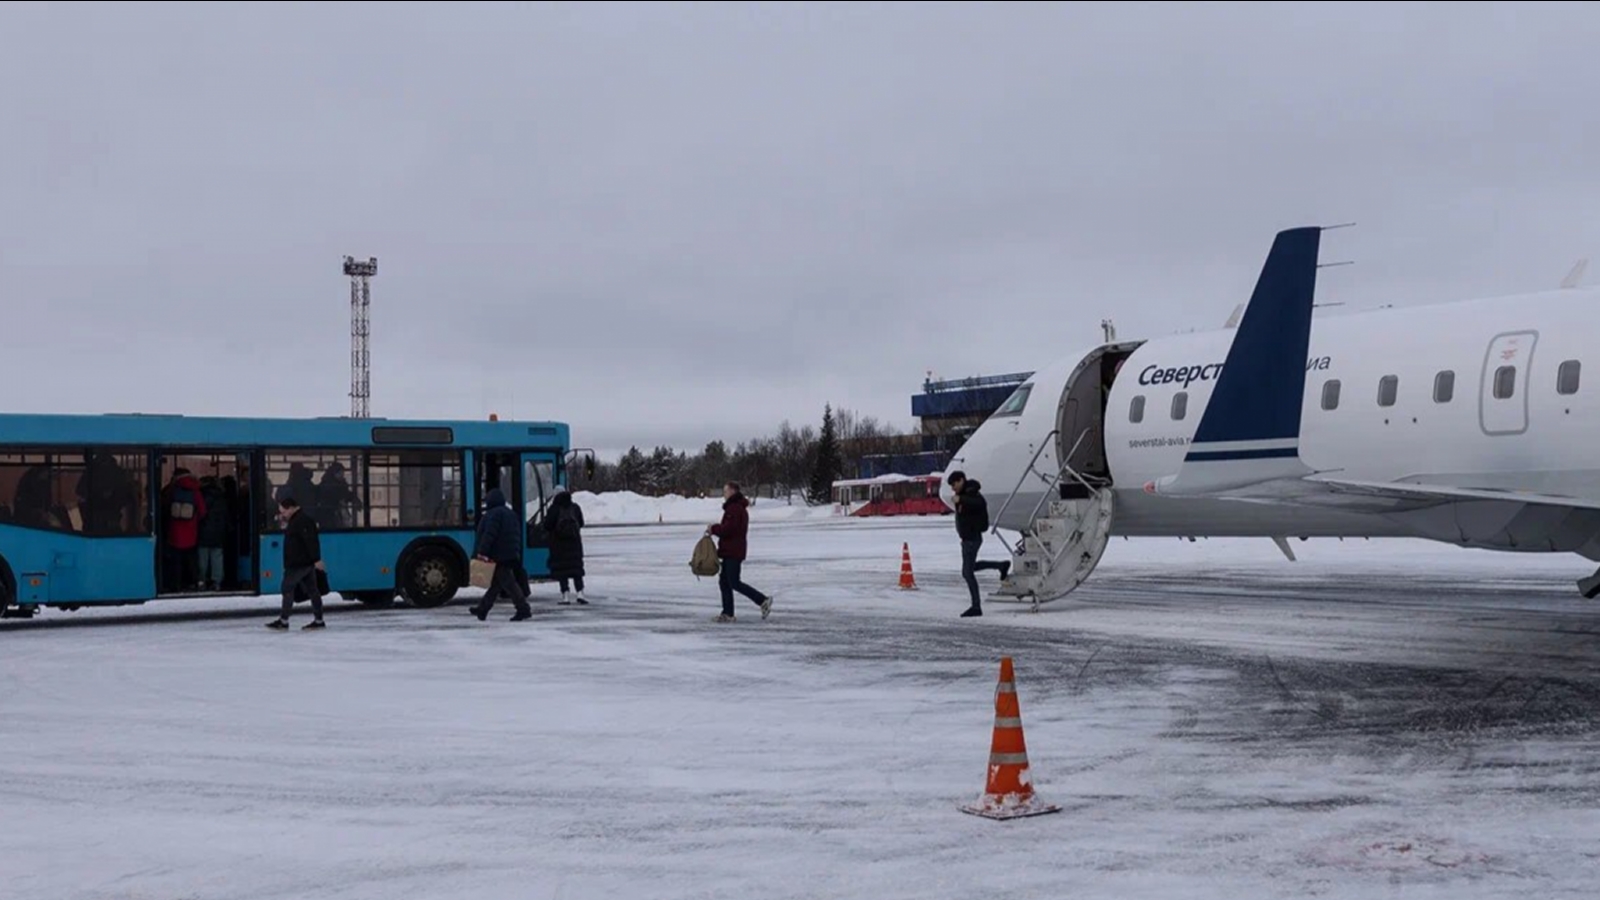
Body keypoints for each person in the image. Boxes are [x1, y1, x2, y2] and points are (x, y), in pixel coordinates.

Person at [706, 482, 773, 623]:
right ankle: (728, 613)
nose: (724, 494)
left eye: (726, 491)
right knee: (724, 582)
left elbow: (729, 529)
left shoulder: (734, 508)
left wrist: (714, 529)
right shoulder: (736, 507)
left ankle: (762, 600)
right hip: (732, 550)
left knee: (734, 582)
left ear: (733, 491)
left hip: (733, 551)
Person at [946, 470, 1010, 618]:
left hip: (972, 539)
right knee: (969, 570)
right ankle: (1001, 565)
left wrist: (960, 500)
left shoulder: (971, 493)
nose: (953, 488)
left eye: (954, 484)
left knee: (968, 573)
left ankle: (976, 606)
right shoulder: (965, 494)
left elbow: (978, 503)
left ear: (961, 480)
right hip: (968, 539)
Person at [470, 487, 532, 622]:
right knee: (497, 584)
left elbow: (489, 534)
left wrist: (482, 551)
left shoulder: (494, 514)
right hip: (509, 554)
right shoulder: (510, 513)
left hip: (500, 555)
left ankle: (523, 609)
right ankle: (482, 609)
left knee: (508, 583)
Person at [266, 496, 326, 630]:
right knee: (312, 591)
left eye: (283, 512)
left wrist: (316, 559)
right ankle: (318, 620)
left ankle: (284, 620)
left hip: (298, 563)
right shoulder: (298, 520)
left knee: (287, 588)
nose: (282, 515)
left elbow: (310, 541)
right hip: (304, 562)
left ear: (291, 509)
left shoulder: (301, 521)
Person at [161, 467, 208, 592]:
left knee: (176, 561)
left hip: (174, 532)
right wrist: (194, 521)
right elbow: (203, 511)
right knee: (191, 560)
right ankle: (194, 582)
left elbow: (165, 508)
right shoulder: (196, 491)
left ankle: (176, 584)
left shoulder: (172, 490)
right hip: (191, 532)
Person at [543, 487, 588, 605]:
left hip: (559, 546)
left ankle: (566, 596)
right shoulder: (575, 507)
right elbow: (581, 523)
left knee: (562, 570)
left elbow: (547, 525)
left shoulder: (554, 508)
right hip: (574, 544)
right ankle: (580, 594)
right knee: (576, 570)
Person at [196, 475, 230, 591]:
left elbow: (199, 514)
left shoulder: (200, 495)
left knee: (203, 558)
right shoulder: (222, 497)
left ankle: (202, 580)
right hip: (219, 532)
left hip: (203, 531)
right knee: (217, 557)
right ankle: (217, 581)